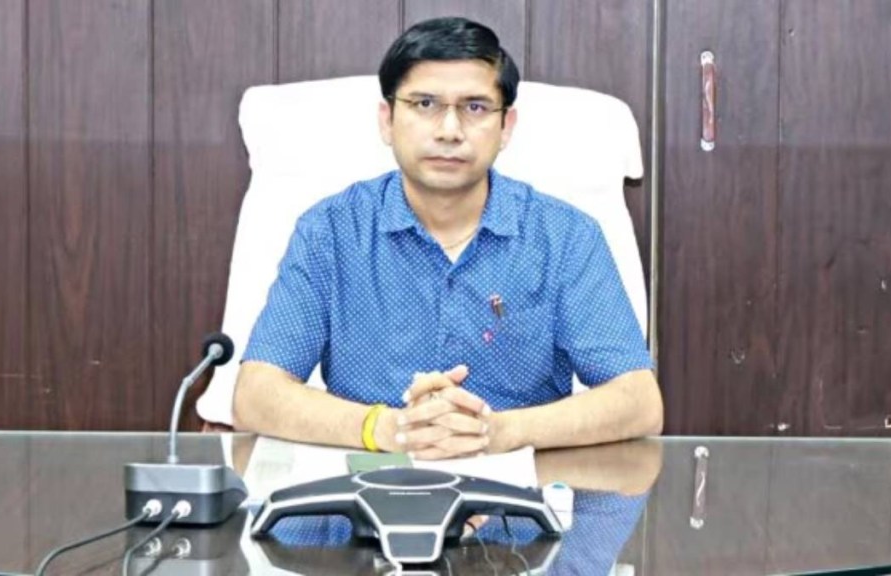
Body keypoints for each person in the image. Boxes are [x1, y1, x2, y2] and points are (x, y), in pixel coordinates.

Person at [232, 16, 663, 459]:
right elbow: (255, 395)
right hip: (367, 485)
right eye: (424, 104)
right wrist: (388, 429)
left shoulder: (565, 237)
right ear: (387, 120)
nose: (449, 130)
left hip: (517, 488)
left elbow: (637, 401)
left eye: (475, 107)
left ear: (506, 126)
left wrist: (497, 432)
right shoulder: (332, 232)